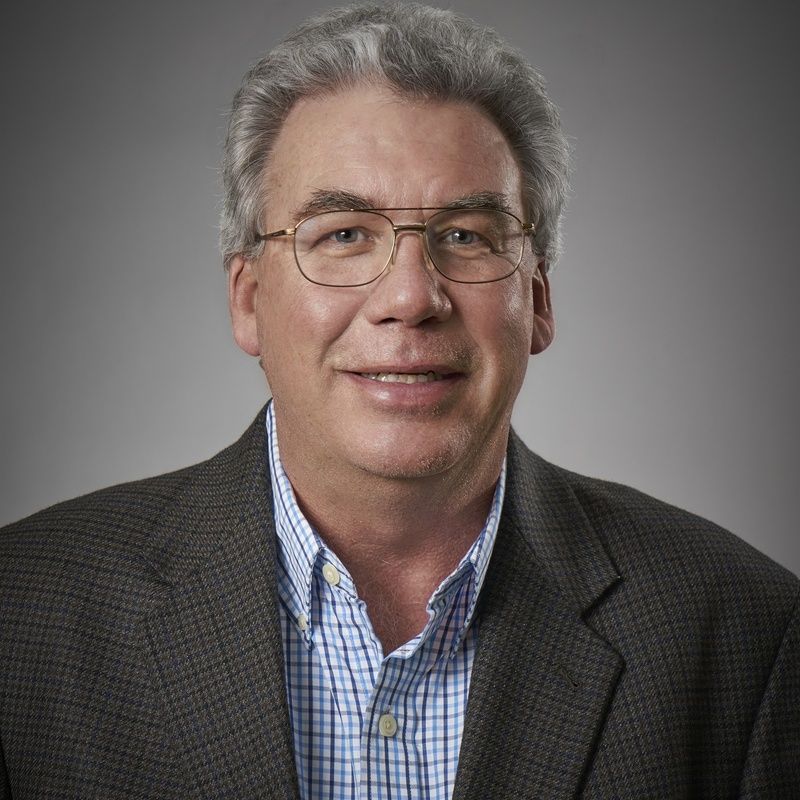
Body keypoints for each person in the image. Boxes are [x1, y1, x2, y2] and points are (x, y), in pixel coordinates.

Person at [1, 3, 797, 797]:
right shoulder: (22, 617)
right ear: (248, 300)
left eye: (466, 236)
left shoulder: (744, 630)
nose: (410, 297)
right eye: (343, 234)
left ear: (539, 300)